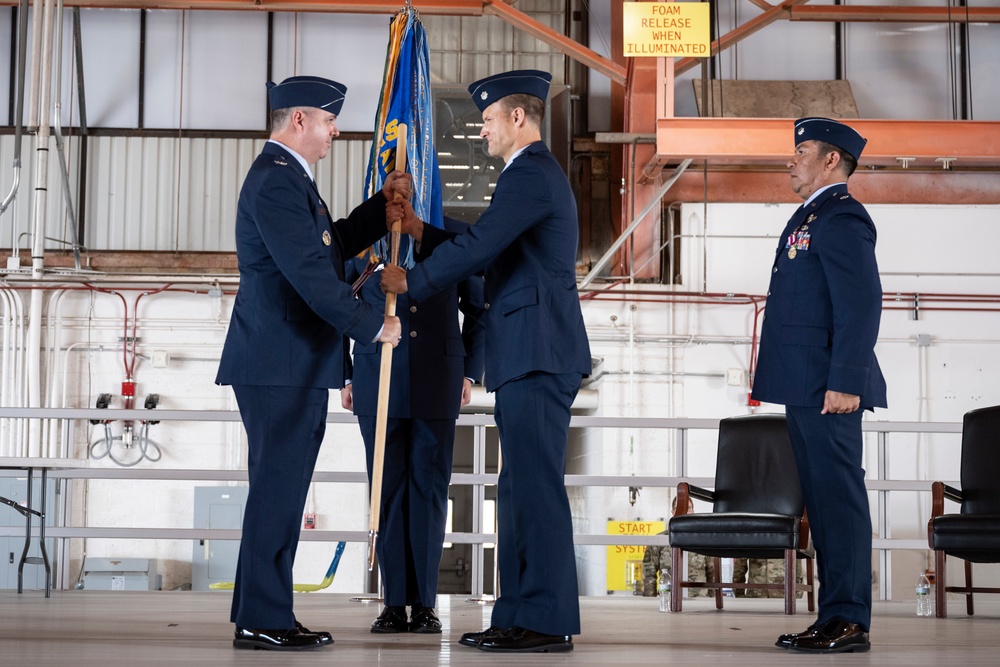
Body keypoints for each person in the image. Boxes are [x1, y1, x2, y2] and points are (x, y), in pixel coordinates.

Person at [380, 69, 591, 654]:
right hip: (527, 351)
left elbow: (481, 247)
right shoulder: (527, 176)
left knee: (534, 489)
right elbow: (486, 245)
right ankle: (520, 614)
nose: (482, 128)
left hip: (539, 350)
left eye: (489, 117)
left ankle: (545, 621)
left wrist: (411, 279)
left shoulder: (531, 174)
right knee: (519, 488)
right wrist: (422, 231)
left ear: (517, 118)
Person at [216, 75, 407, 652]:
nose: (334, 131)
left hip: (289, 361)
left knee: (281, 489)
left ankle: (261, 612)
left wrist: (380, 209)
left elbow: (327, 245)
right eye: (328, 122)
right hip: (280, 362)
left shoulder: (290, 180)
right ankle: (263, 618)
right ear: (298, 121)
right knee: (278, 491)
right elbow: (309, 277)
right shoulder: (276, 183)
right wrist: (373, 327)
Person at [751, 117, 886, 654]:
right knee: (823, 505)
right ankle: (833, 615)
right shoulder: (811, 216)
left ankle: (849, 617)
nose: (791, 159)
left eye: (801, 150)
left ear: (832, 160)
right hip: (805, 384)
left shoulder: (843, 216)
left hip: (830, 386)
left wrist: (847, 379)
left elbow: (861, 304)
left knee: (839, 502)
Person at [342, 218, 486, 635]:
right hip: (376, 376)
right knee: (387, 492)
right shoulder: (362, 238)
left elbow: (479, 307)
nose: (399, 191)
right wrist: (346, 374)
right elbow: (335, 302)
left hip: (437, 376)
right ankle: (393, 603)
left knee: (429, 492)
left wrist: (470, 371)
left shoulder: (448, 236)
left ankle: (424, 603)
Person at [641, 532, 715, 598]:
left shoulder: (702, 539)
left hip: (700, 599)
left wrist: (713, 598)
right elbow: (649, 572)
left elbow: (712, 571)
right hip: (669, 598)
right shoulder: (661, 539)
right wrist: (650, 599)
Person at [731, 558, 802, 598]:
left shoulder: (751, 536)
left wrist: (739, 595)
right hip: (783, 596)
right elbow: (797, 567)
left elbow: (739, 568)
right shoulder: (786, 536)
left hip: (755, 596)